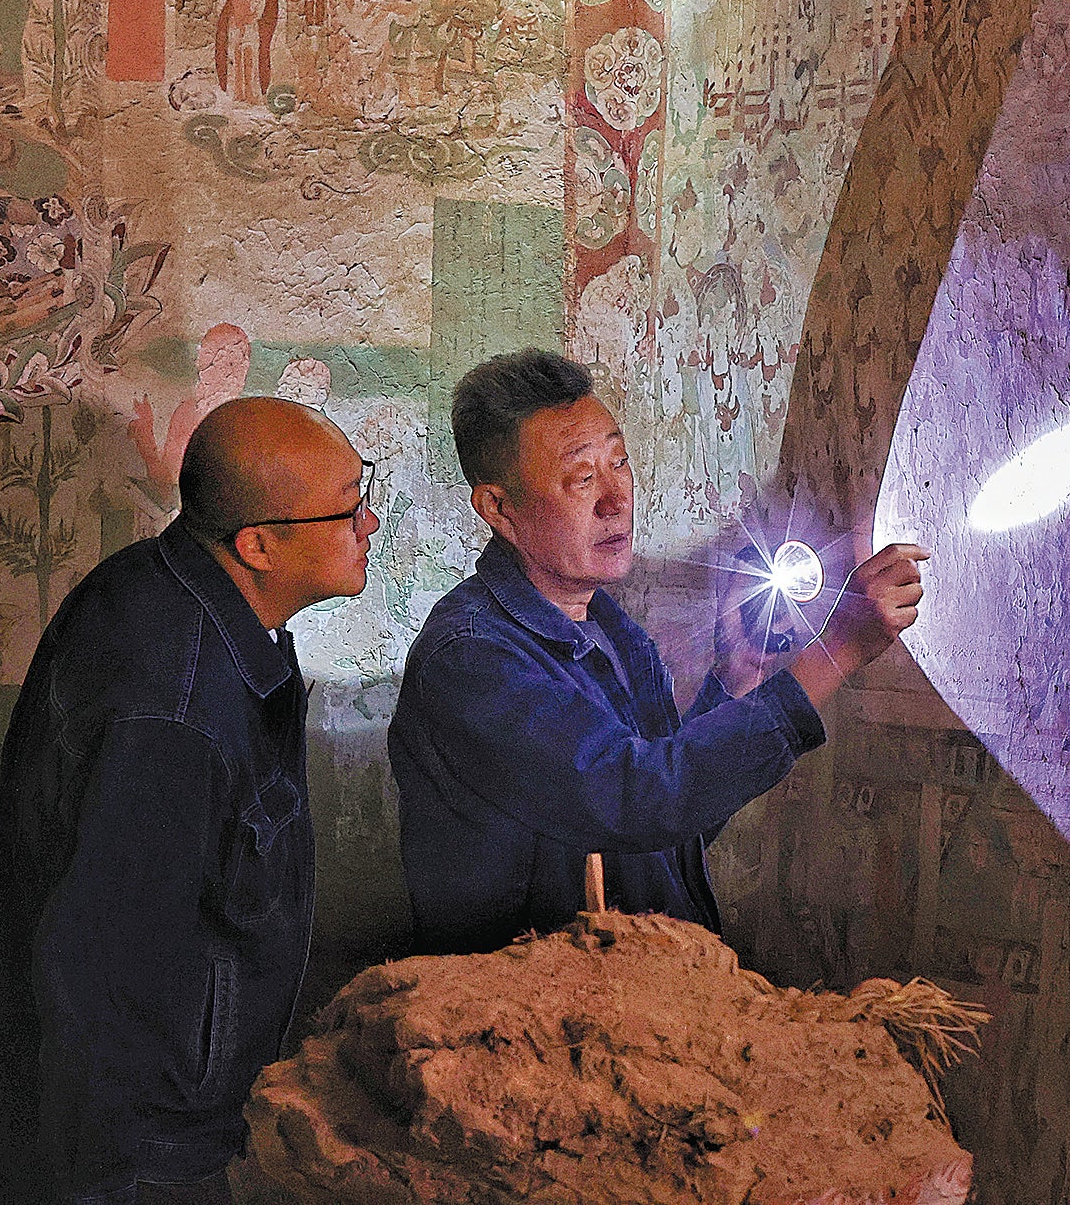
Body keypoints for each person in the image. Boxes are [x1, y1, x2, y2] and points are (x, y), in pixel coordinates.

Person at [0, 397, 380, 1204]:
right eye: (350, 505)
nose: (372, 521)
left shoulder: (181, 595)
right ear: (257, 544)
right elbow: (106, 980)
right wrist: (130, 1176)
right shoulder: (170, 708)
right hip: (132, 1149)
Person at [391, 348, 926, 954]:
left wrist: (740, 672)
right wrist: (837, 651)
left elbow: (672, 829)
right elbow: (641, 799)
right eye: (582, 479)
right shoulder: (471, 660)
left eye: (619, 464)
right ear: (499, 510)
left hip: (628, 1002)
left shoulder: (611, 630)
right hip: (530, 1025)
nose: (616, 499)